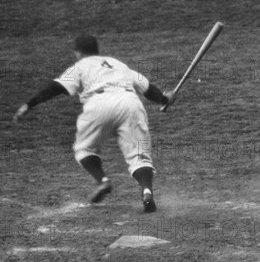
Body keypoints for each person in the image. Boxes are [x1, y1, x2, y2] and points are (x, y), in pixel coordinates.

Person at [13, 34, 175, 212]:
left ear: (78, 52)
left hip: (98, 104)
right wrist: (164, 98)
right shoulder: (118, 64)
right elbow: (148, 89)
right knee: (140, 155)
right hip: (131, 103)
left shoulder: (80, 66)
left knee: (83, 149)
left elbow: (56, 87)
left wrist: (29, 105)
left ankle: (103, 181)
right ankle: (147, 191)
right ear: (97, 50)